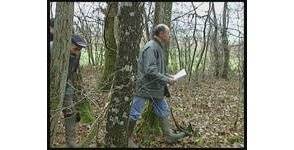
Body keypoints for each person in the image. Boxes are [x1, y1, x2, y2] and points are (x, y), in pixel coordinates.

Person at [127, 24, 185, 147]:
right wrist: (167, 80)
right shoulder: (151, 47)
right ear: (161, 34)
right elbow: (150, 70)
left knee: (163, 110)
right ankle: (126, 139)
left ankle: (169, 136)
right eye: (168, 33)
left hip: (155, 88)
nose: (170, 36)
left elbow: (158, 69)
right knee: (135, 113)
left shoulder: (158, 47)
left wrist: (169, 77)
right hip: (145, 87)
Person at [49, 18, 88, 148]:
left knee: (70, 111)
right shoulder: (52, 47)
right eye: (76, 48)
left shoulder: (76, 56)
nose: (78, 51)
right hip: (51, 84)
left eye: (80, 49)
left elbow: (74, 72)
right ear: (68, 42)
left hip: (67, 84)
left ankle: (71, 142)